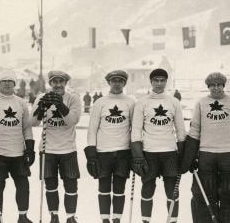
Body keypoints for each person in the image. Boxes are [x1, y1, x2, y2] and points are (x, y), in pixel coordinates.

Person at [180, 72, 230, 223]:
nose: (216, 88)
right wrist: (190, 157)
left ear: (224, 86)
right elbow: (194, 131)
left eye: (219, 85)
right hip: (206, 154)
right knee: (205, 193)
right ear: (208, 86)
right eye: (212, 85)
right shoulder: (201, 103)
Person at [0, 69, 35, 223]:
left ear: (14, 84)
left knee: (23, 186)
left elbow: (26, 127)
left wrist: (30, 149)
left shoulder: (20, 102)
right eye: (4, 81)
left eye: (10, 81)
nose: (7, 84)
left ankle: (22, 216)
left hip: (18, 153)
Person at [131, 68, 186, 223]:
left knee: (172, 191)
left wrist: (183, 154)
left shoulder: (173, 102)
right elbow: (136, 130)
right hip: (149, 152)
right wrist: (137, 156)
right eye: (156, 80)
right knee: (148, 189)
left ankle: (172, 220)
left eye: (162, 80)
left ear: (166, 82)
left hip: (169, 152)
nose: (159, 83)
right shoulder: (142, 102)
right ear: (151, 82)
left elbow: (181, 129)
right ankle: (146, 220)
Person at [84, 70, 135, 223]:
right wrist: (92, 153)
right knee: (104, 187)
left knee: (120, 188)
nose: (117, 83)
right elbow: (92, 129)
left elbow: (135, 128)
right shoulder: (100, 102)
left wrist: (135, 152)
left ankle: (117, 219)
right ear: (109, 83)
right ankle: (105, 219)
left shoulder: (130, 102)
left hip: (123, 153)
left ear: (124, 83)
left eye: (120, 80)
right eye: (114, 80)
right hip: (103, 152)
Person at [31, 70, 82, 223]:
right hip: (48, 149)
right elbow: (33, 123)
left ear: (66, 83)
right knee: (50, 185)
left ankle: (70, 216)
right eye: (55, 82)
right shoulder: (41, 97)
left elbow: (72, 120)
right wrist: (41, 109)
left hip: (68, 149)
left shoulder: (73, 98)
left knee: (71, 185)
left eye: (61, 82)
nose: (58, 85)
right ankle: (54, 215)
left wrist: (60, 105)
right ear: (50, 83)